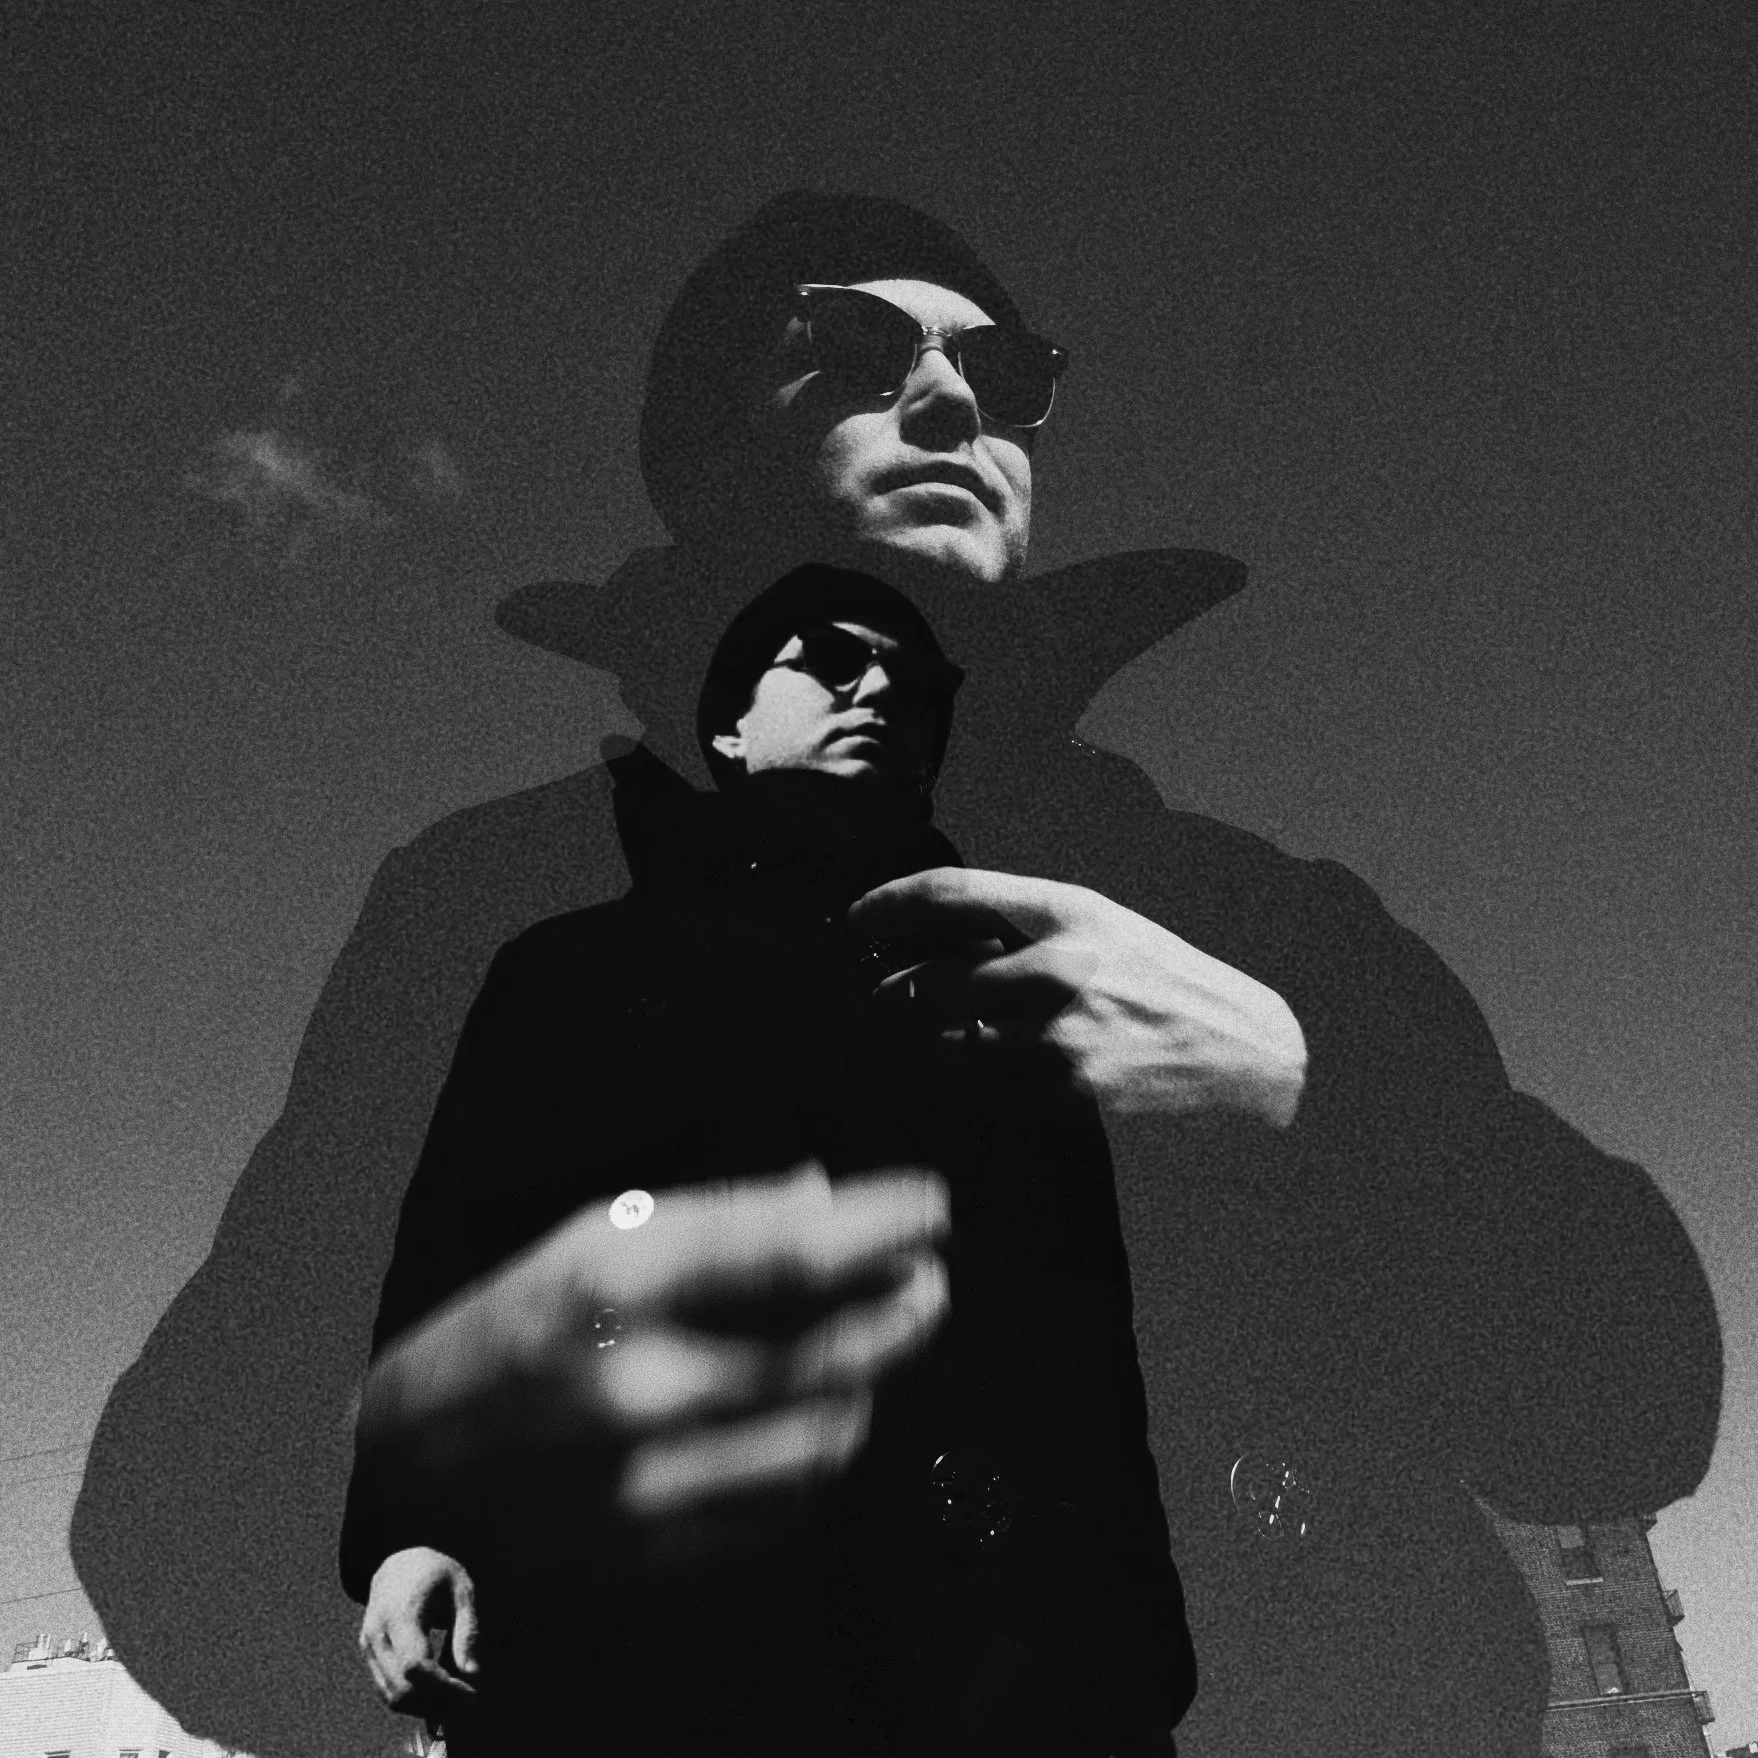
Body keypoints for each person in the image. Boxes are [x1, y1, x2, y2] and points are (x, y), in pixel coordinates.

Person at [73, 189, 1721, 1758]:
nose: (949, 401)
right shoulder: (497, 908)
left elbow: (1626, 1403)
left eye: (1003, 371)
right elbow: (184, 1527)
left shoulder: (1251, 913)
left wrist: (1293, 1083)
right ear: (713, 443)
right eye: (857, 349)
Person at [346, 563, 1195, 1755]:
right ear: (729, 730)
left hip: (983, 1652)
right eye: (831, 660)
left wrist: (1142, 1654)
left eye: (917, 684)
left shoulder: (1003, 993)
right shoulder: (573, 971)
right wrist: (413, 1528)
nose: (881, 690)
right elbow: (459, 1246)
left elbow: (1086, 1337)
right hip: (647, 1614)